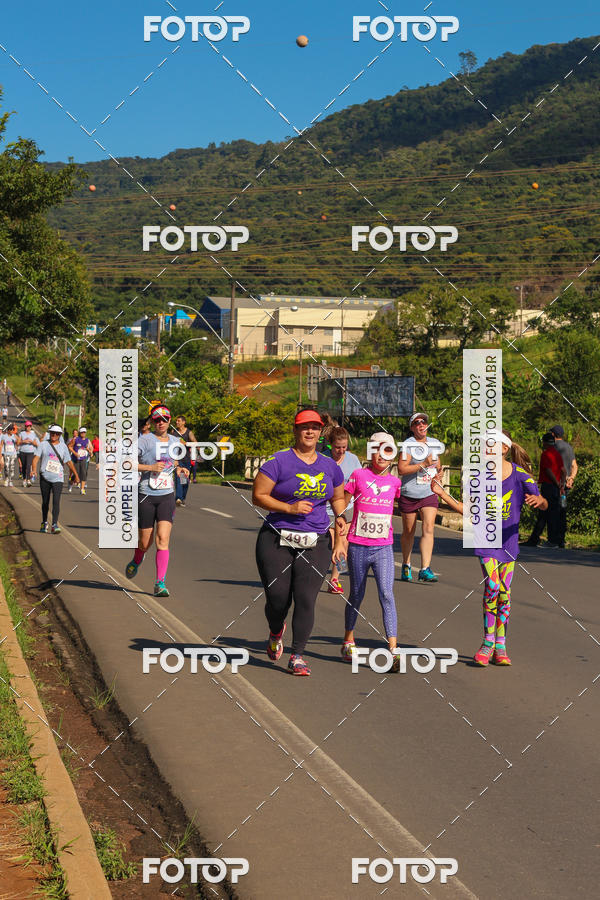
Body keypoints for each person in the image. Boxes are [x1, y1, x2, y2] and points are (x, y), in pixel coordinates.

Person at [431, 429, 547, 666]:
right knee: (493, 586)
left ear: (504, 448)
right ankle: (487, 642)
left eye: (490, 444)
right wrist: (442, 493)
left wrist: (540, 501)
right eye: (483, 444)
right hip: (486, 541)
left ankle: (500, 646)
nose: (485, 448)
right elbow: (469, 510)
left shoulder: (521, 476)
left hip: (509, 543)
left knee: (505, 592)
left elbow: (544, 504)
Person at [253, 408, 347, 676]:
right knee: (278, 598)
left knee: (306, 598)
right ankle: (275, 630)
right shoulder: (278, 461)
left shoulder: (329, 466)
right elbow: (258, 496)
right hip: (277, 536)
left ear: (320, 432)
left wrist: (341, 518)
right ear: (295, 430)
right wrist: (289, 508)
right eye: (304, 427)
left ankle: (297, 655)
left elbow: (337, 497)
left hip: (316, 539)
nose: (310, 431)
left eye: (315, 427)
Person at [333, 432, 403, 669]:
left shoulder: (395, 483)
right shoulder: (358, 476)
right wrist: (340, 536)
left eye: (387, 450)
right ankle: (348, 639)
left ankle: (393, 649)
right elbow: (341, 505)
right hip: (359, 546)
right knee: (356, 594)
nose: (381, 455)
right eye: (377, 449)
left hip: (383, 547)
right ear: (371, 452)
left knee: (386, 593)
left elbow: (405, 504)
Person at [125, 404, 189, 597]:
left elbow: (173, 462)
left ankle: (160, 583)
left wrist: (179, 469)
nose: (161, 422)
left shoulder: (176, 441)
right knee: (145, 543)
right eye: (157, 420)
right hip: (146, 495)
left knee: (163, 539)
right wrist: (150, 467)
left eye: (164, 419)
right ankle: (137, 558)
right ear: (153, 422)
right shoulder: (144, 440)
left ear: (169, 421)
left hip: (167, 496)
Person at [397, 412, 444, 583]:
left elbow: (438, 465)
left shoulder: (434, 443)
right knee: (409, 532)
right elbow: (401, 469)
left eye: (424, 421)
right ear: (412, 428)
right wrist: (423, 464)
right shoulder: (408, 445)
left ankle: (425, 568)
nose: (421, 424)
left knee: (428, 527)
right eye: (417, 422)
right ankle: (406, 564)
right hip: (410, 493)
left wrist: (439, 473)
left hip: (428, 492)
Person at [323, 426, 361, 593]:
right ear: (331, 444)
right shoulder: (322, 458)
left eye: (344, 447)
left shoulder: (353, 460)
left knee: (343, 544)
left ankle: (335, 579)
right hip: (325, 508)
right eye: (337, 447)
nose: (341, 451)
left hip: (347, 507)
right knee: (331, 544)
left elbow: (359, 480)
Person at [31, 424, 80, 533]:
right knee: (45, 501)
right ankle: (44, 522)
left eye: (57, 434)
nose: (54, 435)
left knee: (56, 501)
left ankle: (54, 524)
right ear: (49, 433)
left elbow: (69, 462)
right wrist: (33, 470)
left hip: (58, 478)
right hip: (45, 477)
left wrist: (76, 475)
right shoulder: (43, 444)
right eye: (52, 433)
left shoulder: (63, 447)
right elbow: (35, 459)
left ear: (60, 435)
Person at [522, 432, 565, 548]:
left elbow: (548, 471)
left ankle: (551, 541)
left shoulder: (546, 454)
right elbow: (563, 471)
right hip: (556, 488)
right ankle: (536, 539)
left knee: (547, 514)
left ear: (544, 443)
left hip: (549, 486)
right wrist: (561, 485)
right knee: (549, 514)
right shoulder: (557, 454)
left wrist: (557, 484)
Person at [550, 425, 577, 549]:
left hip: (556, 484)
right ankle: (561, 539)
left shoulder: (553, 447)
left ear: (553, 434)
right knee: (562, 510)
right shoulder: (569, 447)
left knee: (554, 512)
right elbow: (575, 466)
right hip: (566, 486)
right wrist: (571, 478)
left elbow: (554, 467)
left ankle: (554, 540)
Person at [173, 415, 196, 508]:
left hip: (186, 459)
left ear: (183, 422)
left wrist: (185, 443)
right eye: (176, 421)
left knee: (184, 480)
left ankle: (182, 498)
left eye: (178, 421)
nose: (177, 422)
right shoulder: (174, 432)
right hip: (177, 459)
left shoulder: (189, 432)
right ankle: (178, 498)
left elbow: (195, 443)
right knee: (178, 478)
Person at [68, 426, 93, 496]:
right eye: (82, 432)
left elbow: (87, 447)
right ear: (80, 433)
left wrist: (90, 452)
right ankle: (71, 483)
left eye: (84, 432)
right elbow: (69, 446)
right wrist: (75, 453)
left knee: (84, 473)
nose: (83, 433)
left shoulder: (87, 440)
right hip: (76, 459)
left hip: (83, 458)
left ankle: (82, 489)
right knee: (76, 473)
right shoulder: (75, 439)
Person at [17, 421, 39, 486]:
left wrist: (31, 442)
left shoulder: (33, 434)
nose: (28, 427)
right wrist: (23, 441)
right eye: (27, 426)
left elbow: (36, 444)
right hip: (22, 452)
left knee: (28, 465)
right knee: (23, 466)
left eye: (29, 426)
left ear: (31, 427)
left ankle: (28, 480)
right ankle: (24, 479)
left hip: (30, 452)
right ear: (25, 427)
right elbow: (18, 443)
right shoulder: (21, 433)